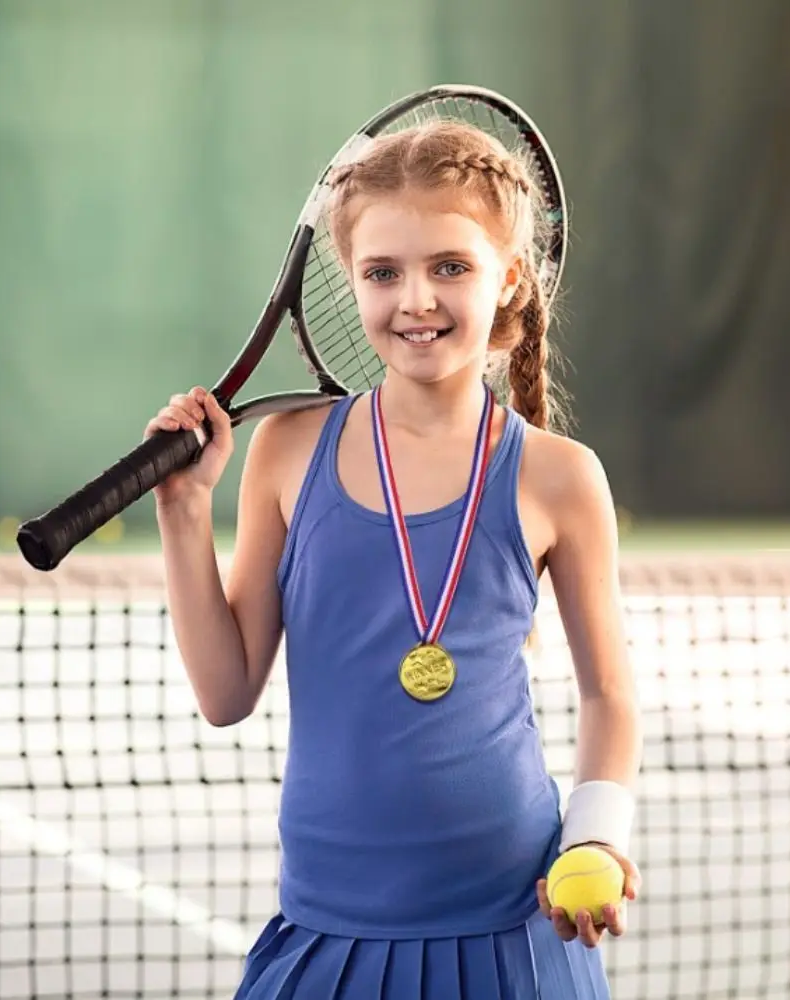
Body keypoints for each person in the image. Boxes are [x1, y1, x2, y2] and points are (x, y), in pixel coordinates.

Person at [146, 119, 643, 999]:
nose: (416, 299)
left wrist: (596, 834)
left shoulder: (561, 477)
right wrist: (185, 516)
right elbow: (225, 694)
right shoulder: (286, 454)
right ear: (351, 283)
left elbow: (608, 693)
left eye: (450, 266)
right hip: (328, 932)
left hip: (511, 936)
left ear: (509, 279)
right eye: (383, 273)